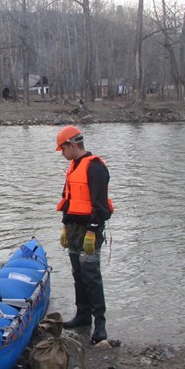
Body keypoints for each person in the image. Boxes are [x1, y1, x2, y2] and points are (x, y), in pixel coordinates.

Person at [56, 126, 114, 344]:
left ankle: (100, 324)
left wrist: (92, 230)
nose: (62, 154)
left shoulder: (96, 168)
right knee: (78, 273)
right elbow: (68, 199)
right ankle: (82, 315)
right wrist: (65, 226)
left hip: (90, 229)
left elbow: (100, 206)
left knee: (91, 276)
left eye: (63, 149)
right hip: (73, 229)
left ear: (72, 145)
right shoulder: (73, 166)